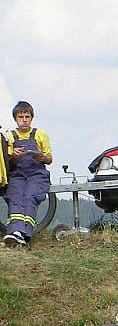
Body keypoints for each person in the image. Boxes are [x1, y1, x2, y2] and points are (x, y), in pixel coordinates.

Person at [3, 101, 53, 247]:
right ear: (15, 119)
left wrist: (42, 157)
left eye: (27, 116)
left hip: (37, 174)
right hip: (17, 174)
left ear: (32, 117)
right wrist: (13, 156)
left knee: (31, 197)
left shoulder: (40, 134)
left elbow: (50, 159)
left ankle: (23, 233)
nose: (24, 120)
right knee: (16, 198)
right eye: (21, 117)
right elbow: (8, 164)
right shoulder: (9, 137)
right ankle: (16, 233)